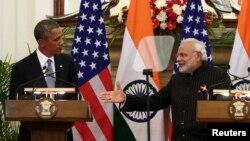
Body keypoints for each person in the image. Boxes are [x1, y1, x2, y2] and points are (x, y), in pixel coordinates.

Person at [100, 38, 231, 141]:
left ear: (197, 56)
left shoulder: (219, 76)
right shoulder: (176, 79)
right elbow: (155, 101)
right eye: (178, 55)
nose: (178, 59)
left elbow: (229, 110)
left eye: (183, 55)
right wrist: (126, 98)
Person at [9, 19, 77, 141]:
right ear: (42, 42)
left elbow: (74, 95)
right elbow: (15, 102)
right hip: (31, 135)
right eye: (56, 39)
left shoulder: (67, 63)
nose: (61, 42)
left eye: (61, 37)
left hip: (63, 134)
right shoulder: (21, 68)